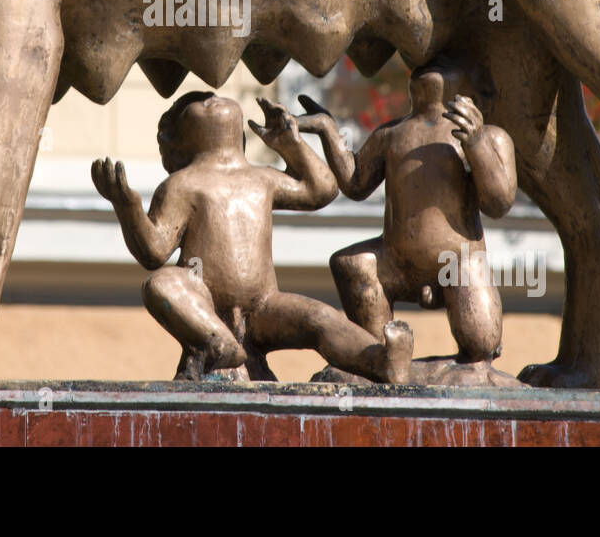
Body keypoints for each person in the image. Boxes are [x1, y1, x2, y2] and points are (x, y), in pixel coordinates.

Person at [92, 91, 412, 382]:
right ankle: (215, 341)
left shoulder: (261, 178)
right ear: (177, 142)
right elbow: (153, 252)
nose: (212, 97)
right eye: (196, 103)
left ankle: (378, 360)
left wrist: (291, 145)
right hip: (206, 305)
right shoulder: (181, 185)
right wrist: (128, 206)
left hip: (265, 307)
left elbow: (322, 189)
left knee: (320, 318)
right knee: (160, 285)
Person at [296, 58, 516, 367]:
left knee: (481, 343)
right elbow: (356, 183)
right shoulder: (392, 133)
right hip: (396, 262)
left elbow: (499, 203)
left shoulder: (490, 136)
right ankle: (379, 357)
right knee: (353, 264)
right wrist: (327, 129)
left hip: (458, 262)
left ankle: (469, 353)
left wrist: (476, 144)